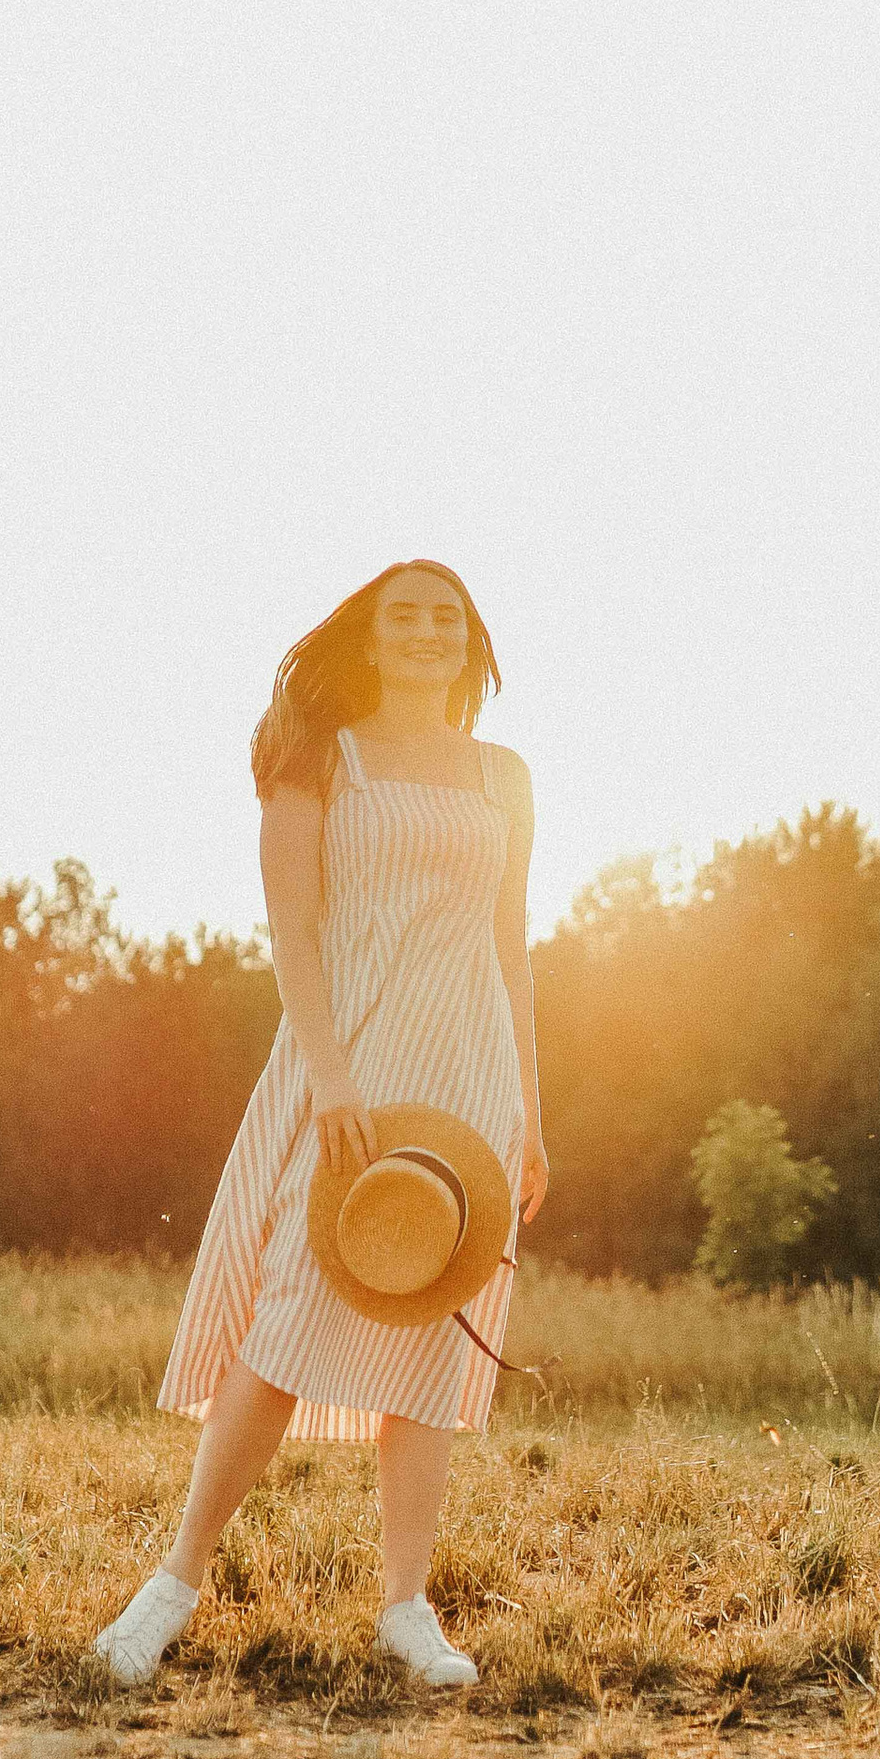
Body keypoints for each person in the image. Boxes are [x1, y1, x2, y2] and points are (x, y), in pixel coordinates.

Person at [92, 559, 547, 1692]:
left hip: (469, 1078)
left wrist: (529, 1117)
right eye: (407, 616)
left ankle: (406, 1606)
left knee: (434, 1327)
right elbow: (292, 935)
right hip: (349, 1068)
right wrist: (334, 1080)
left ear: (470, 640)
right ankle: (174, 1585)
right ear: (372, 637)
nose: (429, 633)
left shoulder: (504, 775)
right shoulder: (319, 760)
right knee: (291, 1312)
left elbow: (510, 948)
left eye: (448, 618)